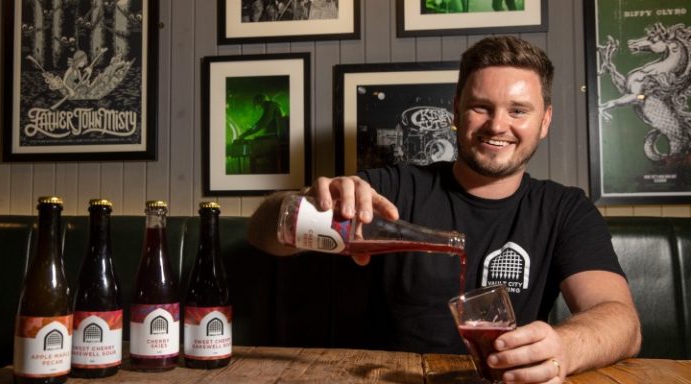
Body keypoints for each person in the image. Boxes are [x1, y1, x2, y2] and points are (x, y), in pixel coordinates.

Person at [247, 36, 641, 383]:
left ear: (545, 121)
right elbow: (261, 234)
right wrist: (300, 207)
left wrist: (566, 347)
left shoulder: (564, 208)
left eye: (518, 110)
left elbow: (622, 321)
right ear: (456, 111)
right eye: (481, 107)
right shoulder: (392, 189)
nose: (497, 125)